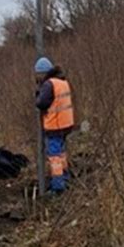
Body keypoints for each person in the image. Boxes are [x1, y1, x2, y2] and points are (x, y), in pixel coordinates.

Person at [35, 57, 74, 194]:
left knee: (54, 156)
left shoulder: (48, 84)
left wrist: (38, 94)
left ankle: (58, 186)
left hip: (55, 125)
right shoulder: (63, 82)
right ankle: (65, 178)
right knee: (62, 153)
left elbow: (41, 103)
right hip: (66, 124)